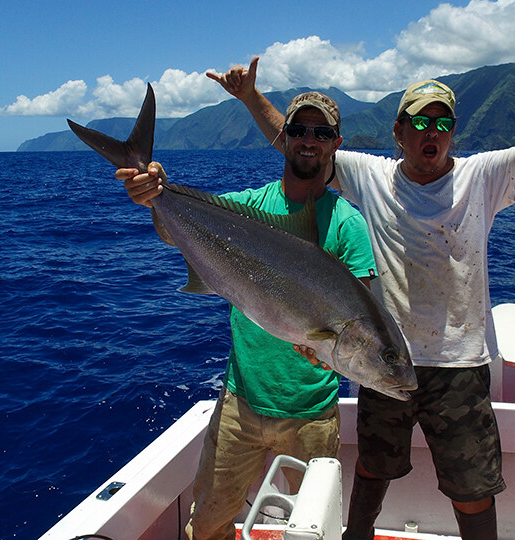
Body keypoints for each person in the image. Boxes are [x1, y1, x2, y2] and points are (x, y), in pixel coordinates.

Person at [205, 29, 515, 540]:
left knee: (473, 490)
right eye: (420, 121)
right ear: (399, 131)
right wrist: (251, 98)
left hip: (460, 366)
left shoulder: (482, 177)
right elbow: (300, 145)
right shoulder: (370, 175)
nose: (432, 131)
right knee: (371, 474)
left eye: (442, 122)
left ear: (452, 132)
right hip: (386, 358)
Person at [119, 91, 377, 540]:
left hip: (312, 416)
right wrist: (154, 194)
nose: (308, 140)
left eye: (321, 132)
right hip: (240, 404)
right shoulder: (249, 208)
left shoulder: (348, 225)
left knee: (314, 530)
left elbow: (362, 316)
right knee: (208, 527)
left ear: (336, 142)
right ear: (285, 137)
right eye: (298, 130)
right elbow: (173, 232)